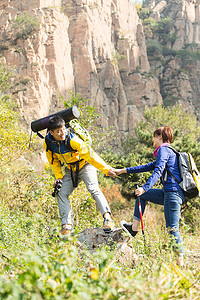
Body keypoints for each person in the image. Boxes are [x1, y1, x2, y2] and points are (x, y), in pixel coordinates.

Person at [114, 126, 185, 267]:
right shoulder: (166, 152)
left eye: (154, 136)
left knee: (172, 228)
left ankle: (180, 263)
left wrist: (144, 187)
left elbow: (158, 170)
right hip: (168, 193)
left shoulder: (164, 150)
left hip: (173, 194)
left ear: (160, 137)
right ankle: (133, 228)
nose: (152, 140)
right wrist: (122, 171)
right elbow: (147, 167)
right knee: (143, 197)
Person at [44, 115, 115, 236]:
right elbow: (53, 161)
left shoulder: (73, 140)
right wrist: (59, 177)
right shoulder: (48, 142)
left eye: (63, 129)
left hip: (85, 165)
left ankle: (108, 218)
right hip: (70, 169)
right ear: (51, 132)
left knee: (93, 189)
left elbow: (90, 155)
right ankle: (67, 226)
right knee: (61, 193)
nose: (62, 133)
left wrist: (106, 169)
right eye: (58, 131)